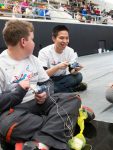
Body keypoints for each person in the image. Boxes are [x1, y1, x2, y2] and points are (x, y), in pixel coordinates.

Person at [0, 20, 81, 150]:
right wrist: (19, 91)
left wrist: (45, 93)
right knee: (8, 125)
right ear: (23, 42)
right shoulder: (1, 64)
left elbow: (47, 82)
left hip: (39, 103)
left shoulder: (33, 59)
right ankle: (62, 125)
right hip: (15, 111)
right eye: (32, 39)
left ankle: (42, 143)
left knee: (73, 98)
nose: (34, 42)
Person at [38, 25, 87, 93]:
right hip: (48, 79)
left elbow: (71, 71)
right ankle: (71, 89)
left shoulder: (70, 51)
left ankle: (55, 91)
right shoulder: (44, 52)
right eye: (61, 38)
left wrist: (76, 69)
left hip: (62, 78)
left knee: (78, 76)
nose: (65, 41)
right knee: (44, 85)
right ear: (54, 38)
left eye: (67, 38)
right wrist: (57, 67)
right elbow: (43, 75)